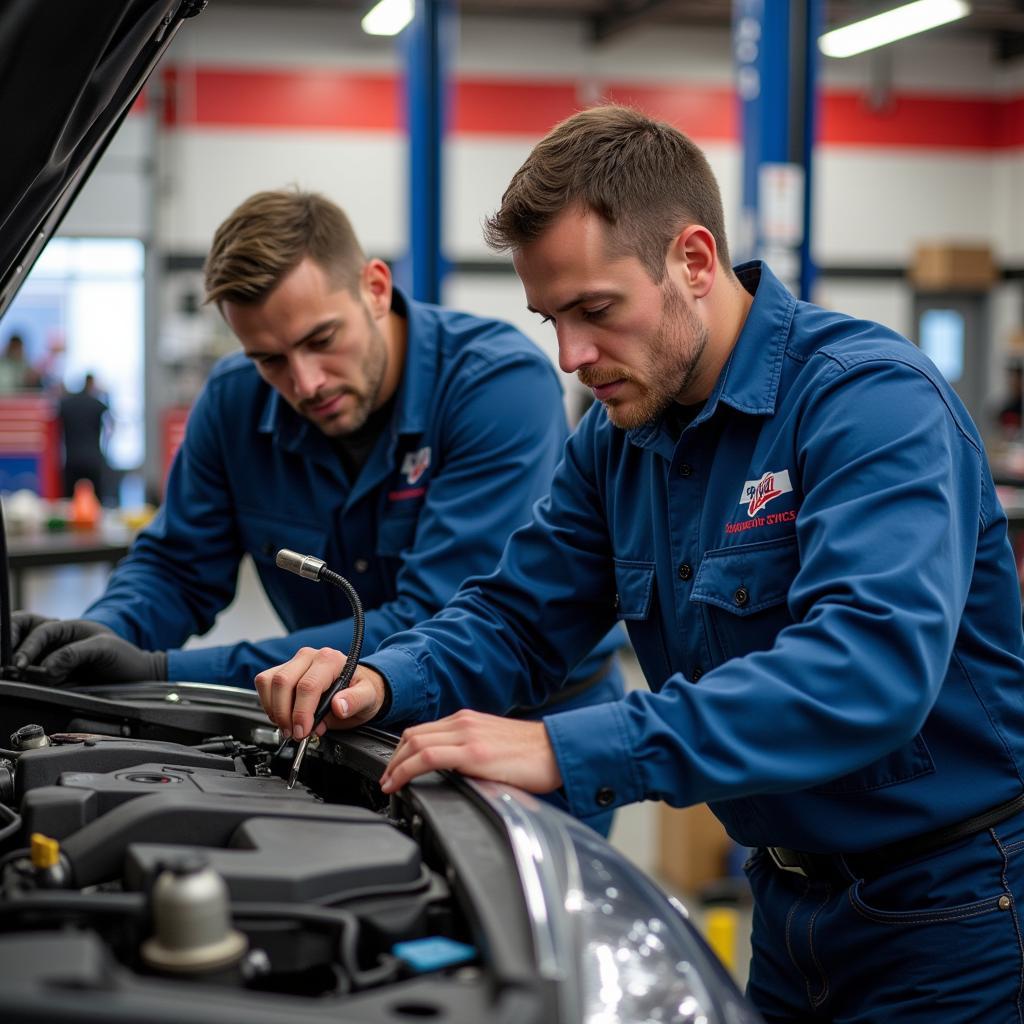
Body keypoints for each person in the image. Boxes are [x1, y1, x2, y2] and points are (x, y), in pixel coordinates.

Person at [258, 107, 1024, 1022]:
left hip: (954, 908)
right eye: (551, 318)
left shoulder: (868, 403)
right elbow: (517, 616)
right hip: (788, 909)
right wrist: (378, 677)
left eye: (595, 311)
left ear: (693, 261)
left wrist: (571, 747)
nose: (572, 358)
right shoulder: (619, 442)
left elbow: (867, 670)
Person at [12, 189, 624, 830]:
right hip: (329, 735)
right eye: (270, 359)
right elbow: (176, 567)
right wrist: (106, 639)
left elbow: (436, 619)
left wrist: (163, 672)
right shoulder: (234, 405)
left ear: (376, 287)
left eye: (320, 339)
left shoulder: (496, 386)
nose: (305, 383)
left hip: (515, 733)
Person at [58, 372, 110, 500]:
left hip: (71, 458)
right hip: (93, 458)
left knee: (68, 501)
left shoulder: (67, 404)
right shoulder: (96, 404)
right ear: (92, 384)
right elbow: (110, 422)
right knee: (97, 501)